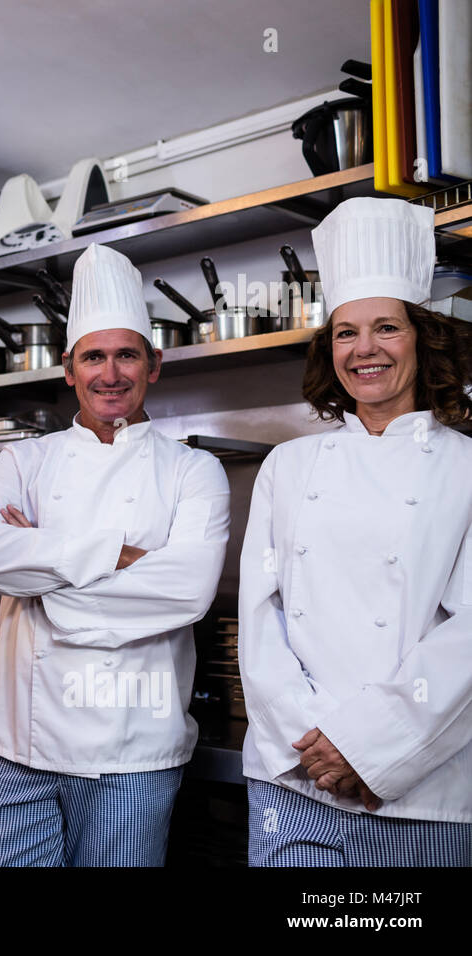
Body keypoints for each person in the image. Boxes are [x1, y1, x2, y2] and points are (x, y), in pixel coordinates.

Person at [0, 243, 230, 867]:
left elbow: (187, 590)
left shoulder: (195, 470)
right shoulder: (22, 461)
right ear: (68, 368)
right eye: (94, 357)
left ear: (154, 364)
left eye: (127, 355)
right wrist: (124, 554)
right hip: (16, 746)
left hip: (133, 752)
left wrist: (41, 577)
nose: (110, 374)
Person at [240, 197, 472, 866]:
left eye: (385, 329)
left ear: (423, 339)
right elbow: (261, 619)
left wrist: (368, 747)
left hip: (421, 790)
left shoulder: (464, 468)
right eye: (345, 332)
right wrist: (313, 745)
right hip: (295, 780)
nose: (363, 350)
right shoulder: (289, 466)